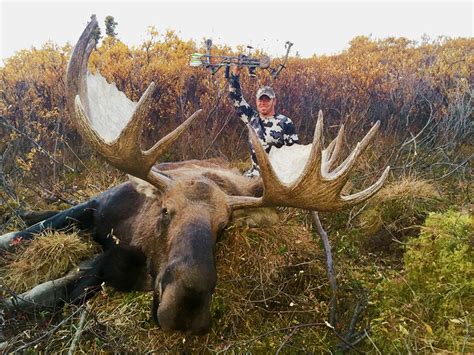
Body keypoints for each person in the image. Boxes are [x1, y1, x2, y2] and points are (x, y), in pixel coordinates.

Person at [228, 65, 299, 177]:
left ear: (274, 101)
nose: (263, 103)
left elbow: (294, 154)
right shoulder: (251, 118)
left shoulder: (286, 122)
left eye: (267, 100)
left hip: (278, 177)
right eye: (260, 100)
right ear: (256, 101)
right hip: (254, 176)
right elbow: (236, 98)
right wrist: (235, 75)